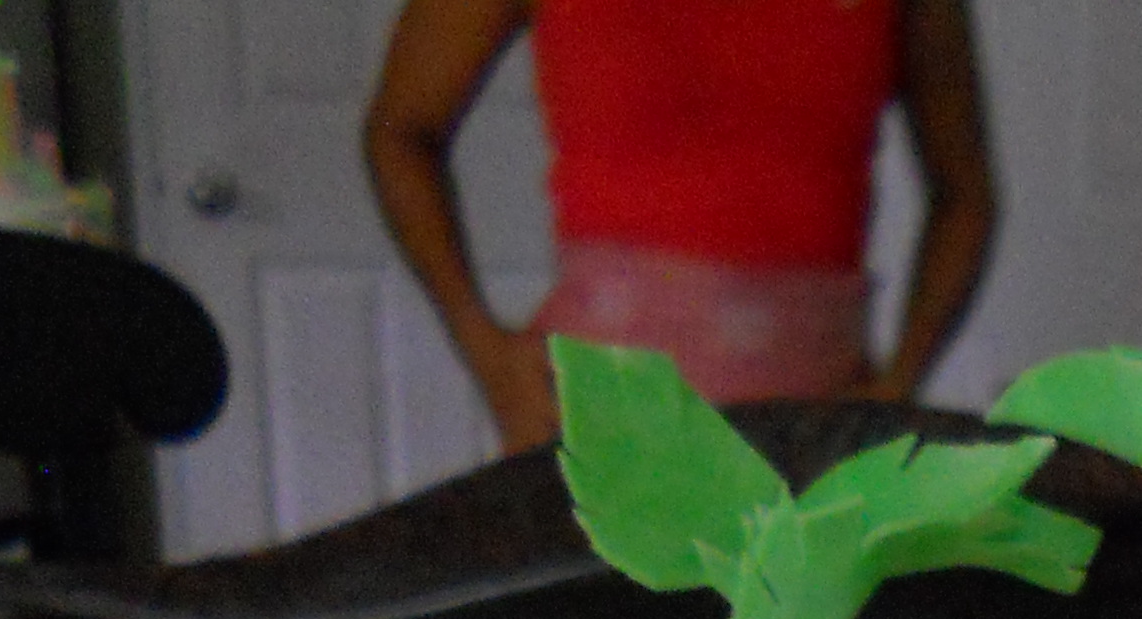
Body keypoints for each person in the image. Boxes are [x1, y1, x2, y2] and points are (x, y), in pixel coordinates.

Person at [365, 0, 995, 454]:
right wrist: (487, 353)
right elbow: (401, 132)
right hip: (599, 441)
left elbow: (964, 197)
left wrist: (901, 383)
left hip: (817, 451)